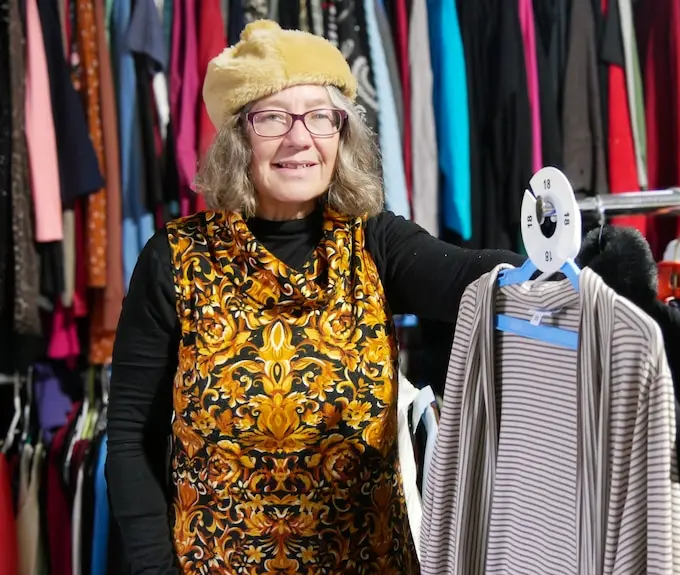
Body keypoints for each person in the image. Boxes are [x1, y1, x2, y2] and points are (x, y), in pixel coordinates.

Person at [105, 20, 523, 574]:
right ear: (237, 137)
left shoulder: (372, 242)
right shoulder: (175, 260)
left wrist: (566, 266)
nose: (299, 138)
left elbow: (468, 278)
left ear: (340, 134)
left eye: (320, 117)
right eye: (273, 117)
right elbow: (132, 435)